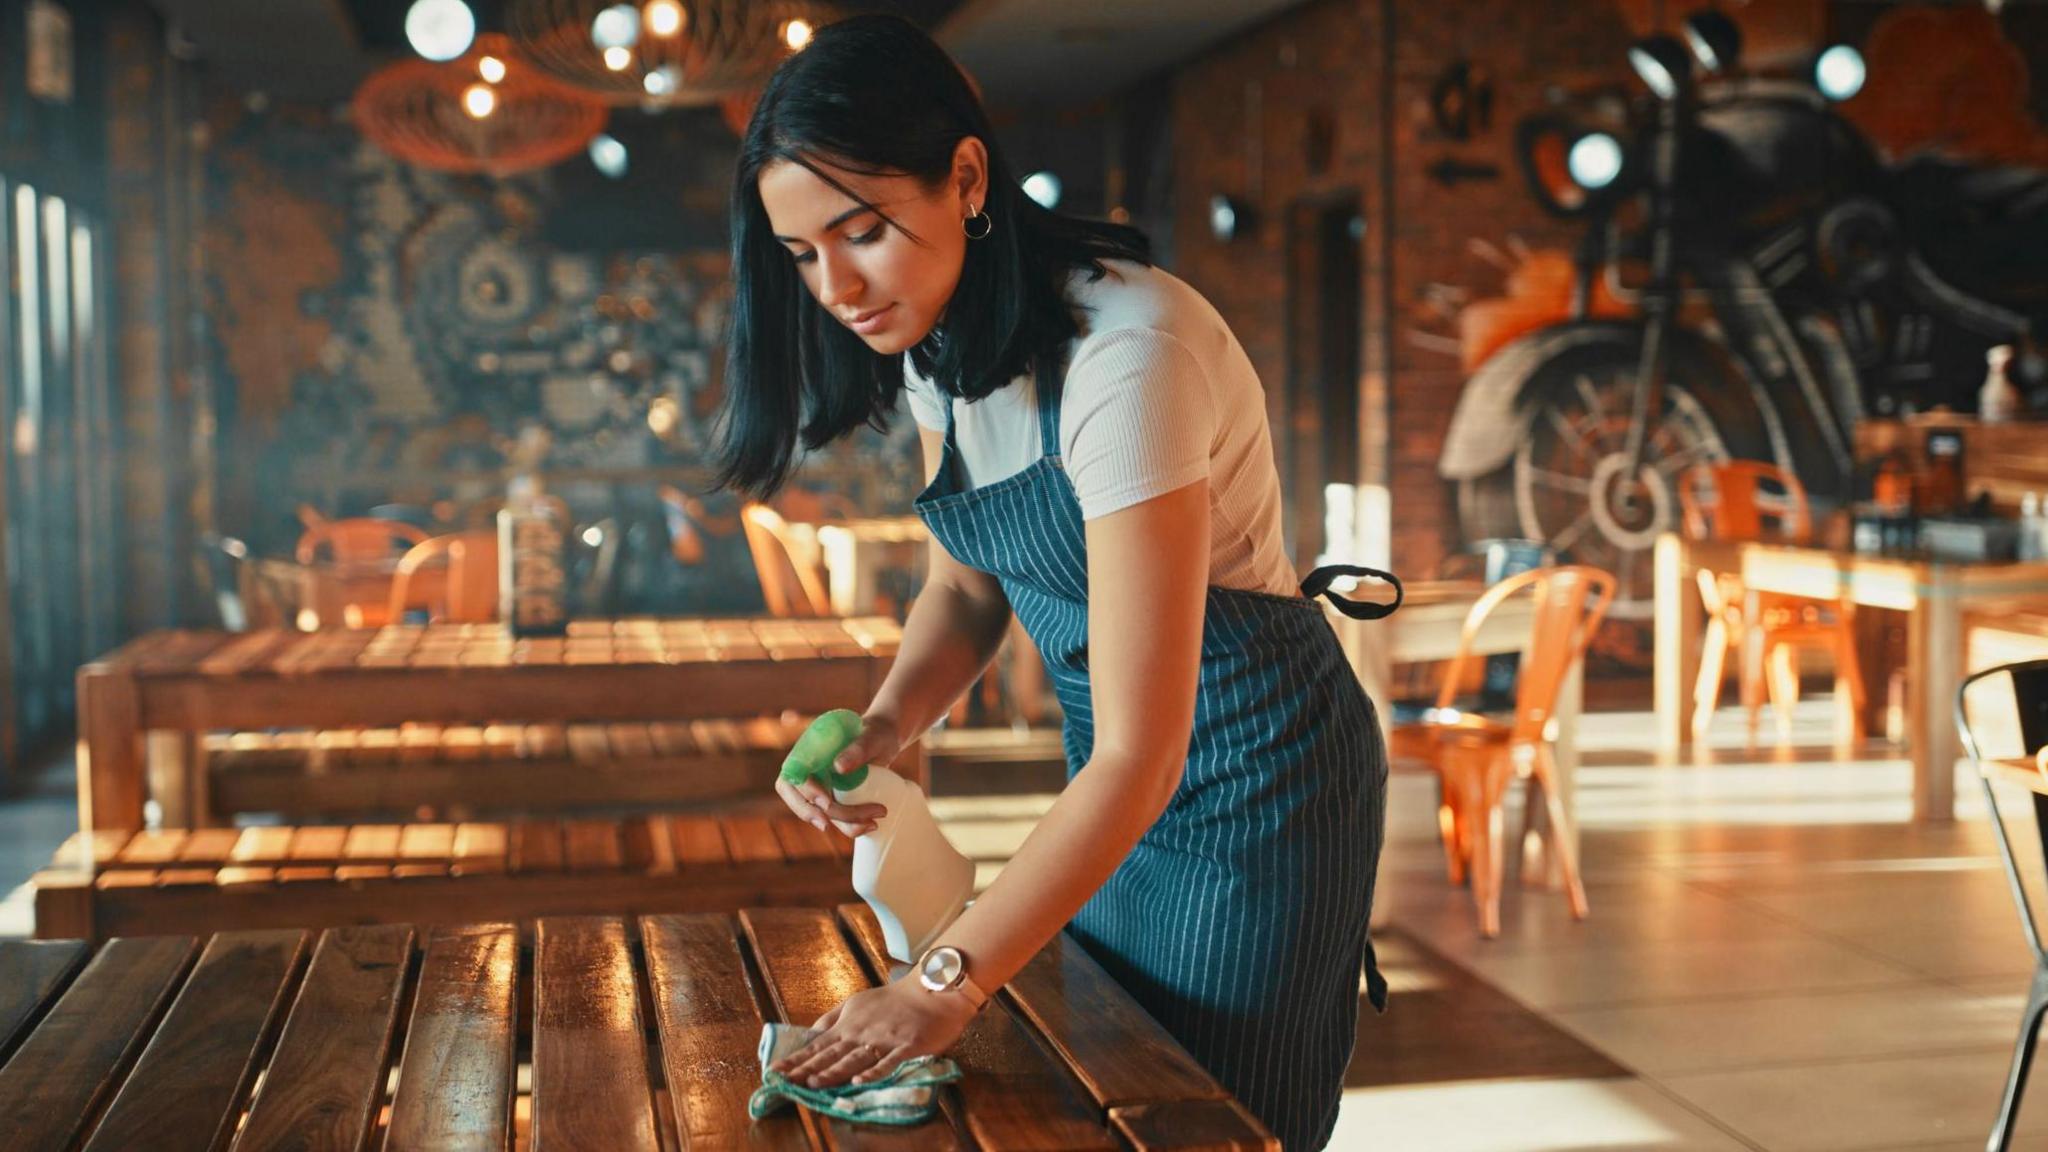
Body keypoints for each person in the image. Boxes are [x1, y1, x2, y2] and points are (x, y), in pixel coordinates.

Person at [717, 15, 1397, 1148]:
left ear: (966, 177)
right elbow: (966, 591)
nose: (834, 284)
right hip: (1118, 775)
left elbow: (1146, 749)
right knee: (1112, 1084)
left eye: (863, 230)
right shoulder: (941, 347)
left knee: (1213, 1118)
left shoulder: (1126, 355)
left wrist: (939, 983)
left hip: (1259, 786)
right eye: (801, 254)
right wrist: (884, 727)